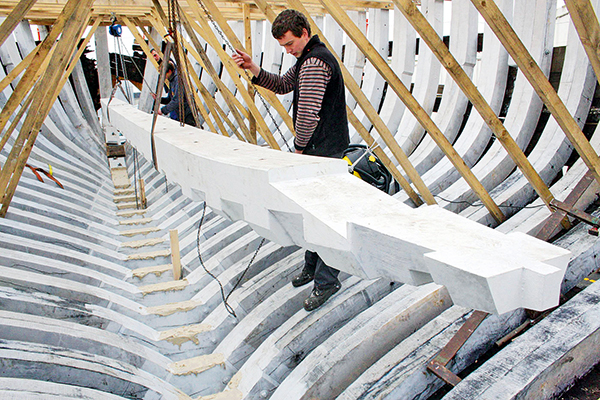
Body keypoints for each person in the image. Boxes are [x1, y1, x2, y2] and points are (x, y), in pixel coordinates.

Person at [232, 9, 350, 311]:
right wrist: (254, 69)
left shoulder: (312, 63)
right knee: (311, 213)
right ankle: (312, 266)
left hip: (321, 153)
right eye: (283, 46)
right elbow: (284, 85)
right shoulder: (308, 57)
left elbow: (308, 113)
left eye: (289, 44)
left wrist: (298, 149)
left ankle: (326, 280)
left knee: (324, 218)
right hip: (322, 149)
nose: (287, 50)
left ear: (303, 33)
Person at [153, 61, 196, 126]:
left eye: (164, 74)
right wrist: (159, 99)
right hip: (180, 114)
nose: (163, 76)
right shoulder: (172, 80)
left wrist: (163, 110)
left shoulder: (178, 80)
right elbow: (170, 99)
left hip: (187, 115)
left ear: (169, 71)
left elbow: (177, 100)